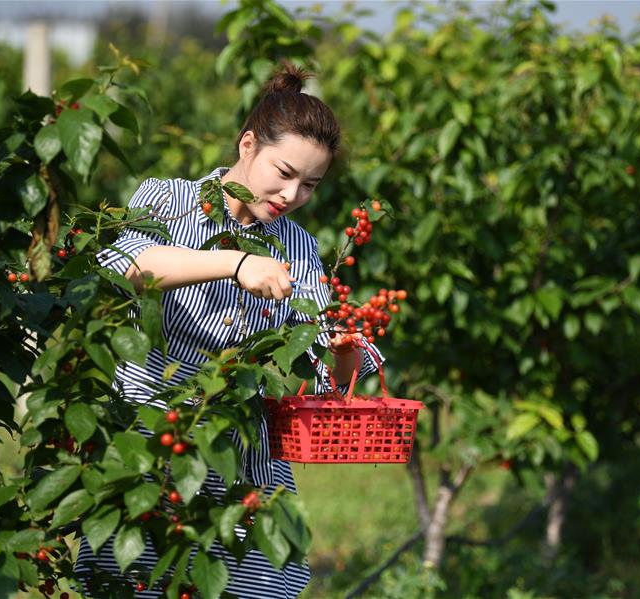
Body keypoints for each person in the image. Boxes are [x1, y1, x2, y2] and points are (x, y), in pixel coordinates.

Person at [74, 62, 383, 599]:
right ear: (247, 146)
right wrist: (235, 264)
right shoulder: (167, 199)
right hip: (156, 455)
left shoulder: (300, 248)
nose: (291, 195)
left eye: (309, 185)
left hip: (244, 468)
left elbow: (317, 366)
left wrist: (340, 349)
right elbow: (128, 265)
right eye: (283, 173)